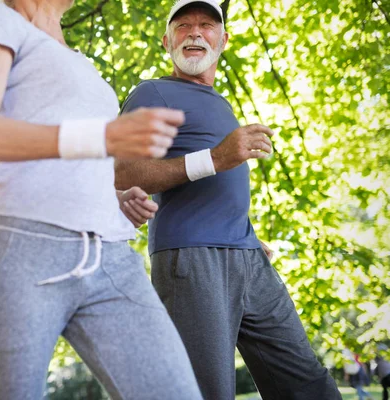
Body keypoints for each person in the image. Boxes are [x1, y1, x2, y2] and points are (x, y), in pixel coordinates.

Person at [0, 0, 203, 398]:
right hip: (21, 249)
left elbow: (75, 156)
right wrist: (102, 136)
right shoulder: (0, 18)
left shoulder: (80, 60)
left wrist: (114, 195)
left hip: (111, 258)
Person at [114, 0, 342, 399]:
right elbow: (123, 171)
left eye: (206, 25)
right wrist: (216, 158)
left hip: (249, 256)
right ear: (166, 41)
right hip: (192, 257)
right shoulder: (153, 92)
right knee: (207, 391)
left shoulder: (220, 103)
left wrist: (247, 234)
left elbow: (219, 190)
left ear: (224, 39)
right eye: (183, 26)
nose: (195, 33)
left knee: (307, 382)